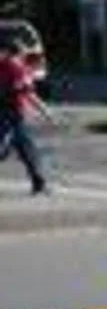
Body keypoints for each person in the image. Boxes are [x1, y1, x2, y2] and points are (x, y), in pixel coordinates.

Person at [0, 36, 50, 194]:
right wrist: (44, 109)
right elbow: (27, 92)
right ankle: (39, 181)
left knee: (27, 148)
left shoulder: (4, 65)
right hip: (12, 113)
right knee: (5, 148)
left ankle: (39, 182)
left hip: (9, 113)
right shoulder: (18, 68)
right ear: (18, 53)